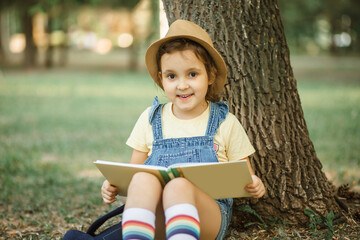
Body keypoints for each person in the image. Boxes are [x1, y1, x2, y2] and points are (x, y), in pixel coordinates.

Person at [101, 19, 265, 240]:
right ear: (161, 79)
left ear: (211, 75)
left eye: (192, 74)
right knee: (141, 179)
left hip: (206, 217)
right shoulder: (151, 118)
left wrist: (254, 184)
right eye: (171, 76)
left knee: (178, 186)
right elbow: (132, 175)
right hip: (155, 218)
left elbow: (245, 176)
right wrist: (113, 185)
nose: (182, 85)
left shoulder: (225, 122)